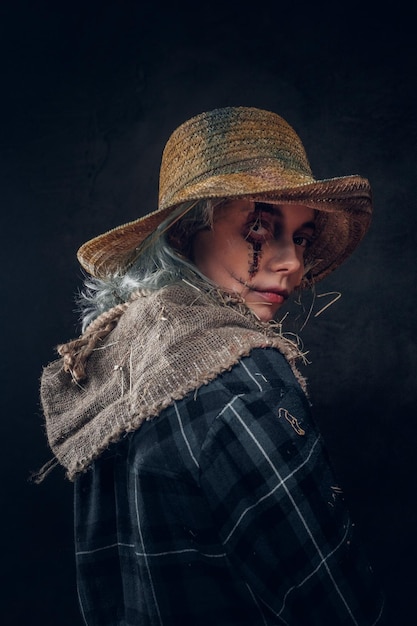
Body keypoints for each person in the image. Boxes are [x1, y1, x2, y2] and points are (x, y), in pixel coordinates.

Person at [39, 106, 386, 625]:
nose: (291, 260)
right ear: (185, 234)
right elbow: (336, 607)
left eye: (302, 237)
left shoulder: (118, 361)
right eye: (261, 227)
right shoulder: (243, 376)